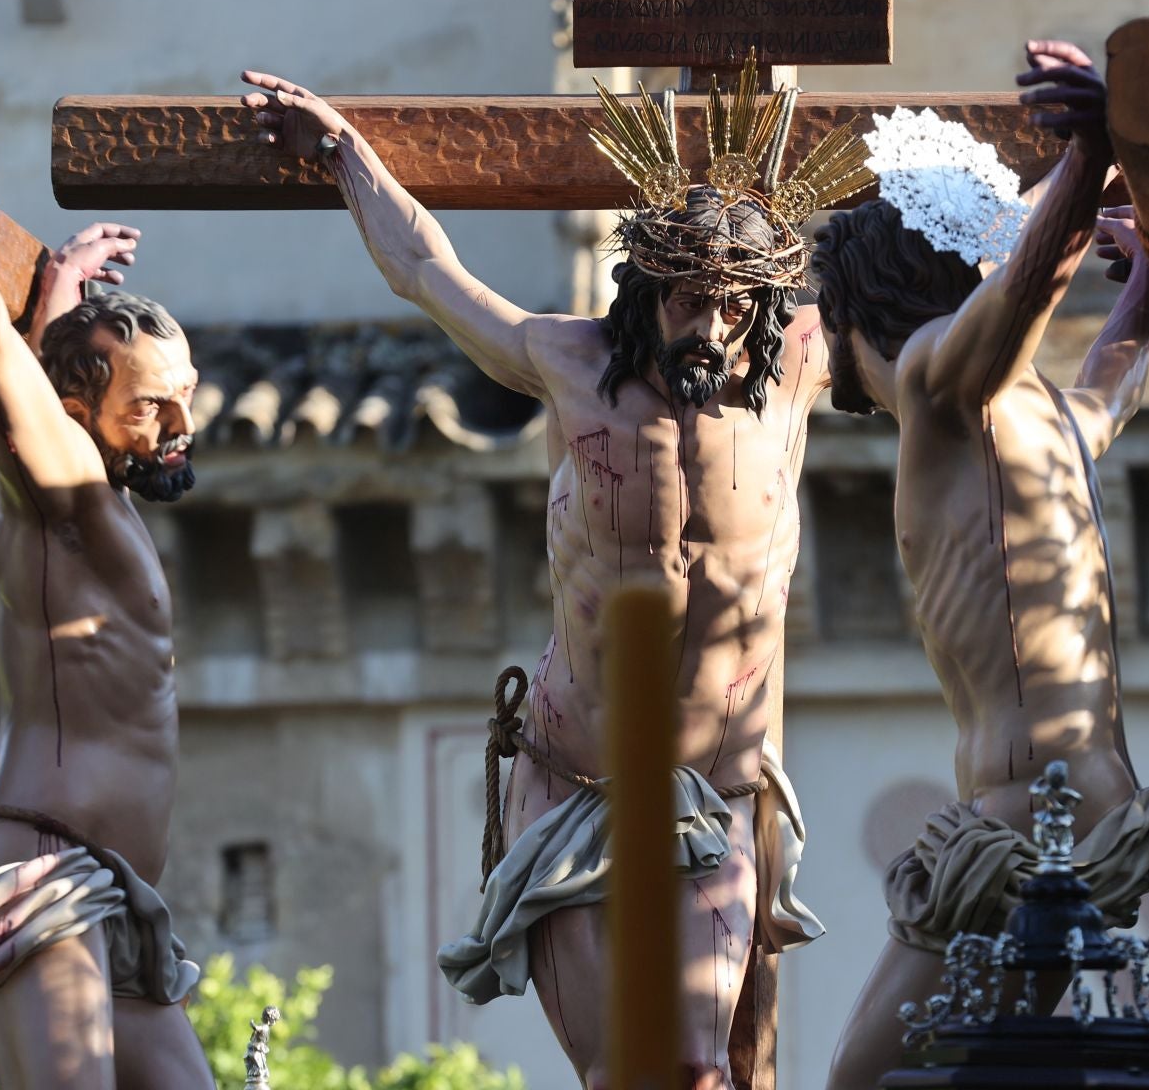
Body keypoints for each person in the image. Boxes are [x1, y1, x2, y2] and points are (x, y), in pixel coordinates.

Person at [241, 60, 859, 1088]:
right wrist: (347, 154)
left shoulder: (796, 365)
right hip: (576, 782)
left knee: (700, 1069)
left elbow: (934, 304)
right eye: (687, 300)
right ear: (646, 287)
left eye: (731, 306)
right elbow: (429, 272)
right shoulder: (568, 363)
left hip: (712, 792)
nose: (708, 326)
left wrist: (1075, 185)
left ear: (761, 306)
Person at [811, 41, 1149, 1088]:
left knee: (866, 1080)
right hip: (1080, 805)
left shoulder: (935, 380)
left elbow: (1019, 296)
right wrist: (1148, 279)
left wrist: (1089, 156)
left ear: (849, 307)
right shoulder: (1042, 413)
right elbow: (1114, 376)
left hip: (1027, 821)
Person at [0, 38, 212, 1089]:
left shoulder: (87, 496)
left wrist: (55, 298)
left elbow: (36, 376)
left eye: (184, 393)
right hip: (37, 869)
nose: (181, 422)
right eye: (153, 403)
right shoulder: (62, 490)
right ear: (77, 408)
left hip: (109, 896)